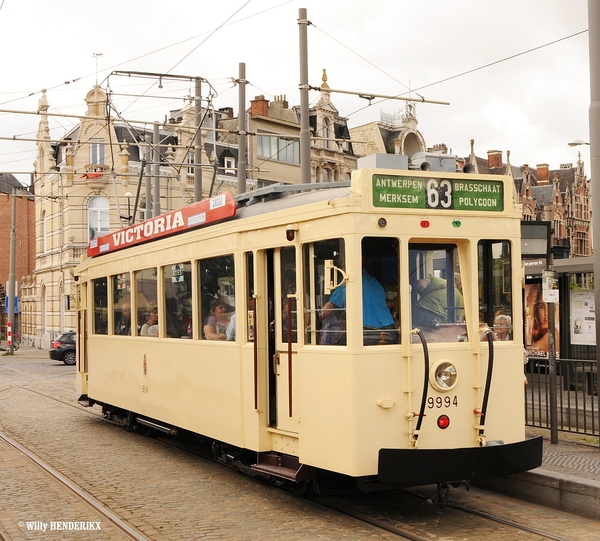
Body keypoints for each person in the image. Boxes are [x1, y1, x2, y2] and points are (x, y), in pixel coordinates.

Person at [321, 267, 396, 345]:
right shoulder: (375, 282)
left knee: (339, 348)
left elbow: (328, 308)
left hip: (369, 332)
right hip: (390, 330)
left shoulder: (349, 281)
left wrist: (314, 322)